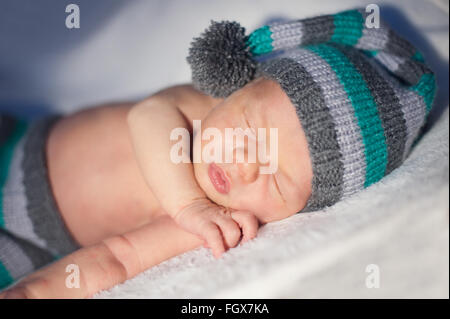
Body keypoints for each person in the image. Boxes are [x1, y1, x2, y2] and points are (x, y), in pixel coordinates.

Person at [0, 8, 436, 298]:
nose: (246, 163)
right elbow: (146, 117)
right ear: (236, 88)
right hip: (17, 144)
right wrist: (187, 203)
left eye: (276, 179)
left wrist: (36, 291)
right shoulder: (192, 109)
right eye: (250, 128)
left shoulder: (215, 223)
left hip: (36, 245)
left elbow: (117, 257)